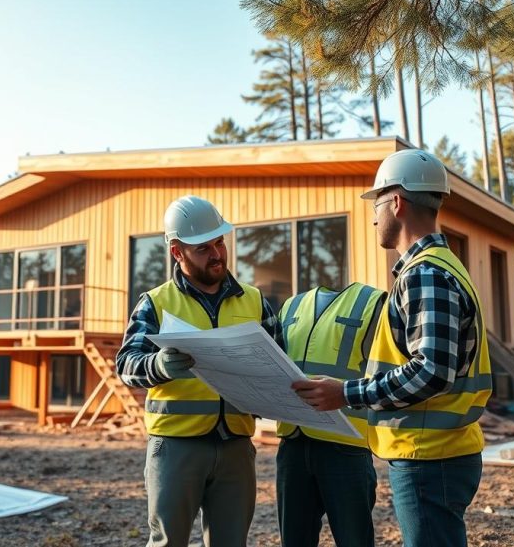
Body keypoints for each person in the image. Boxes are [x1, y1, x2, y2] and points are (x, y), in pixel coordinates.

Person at [291, 149, 493, 547]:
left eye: (377, 204)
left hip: (429, 455)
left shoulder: (425, 275)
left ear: (397, 202)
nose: (372, 217)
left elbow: (431, 371)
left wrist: (345, 393)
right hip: (440, 451)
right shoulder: (441, 267)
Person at [116, 194, 282, 547]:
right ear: (178, 252)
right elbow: (126, 364)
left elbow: (279, 362)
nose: (217, 254)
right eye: (204, 248)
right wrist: (156, 365)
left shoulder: (253, 300)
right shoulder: (156, 302)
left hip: (236, 445)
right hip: (176, 447)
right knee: (168, 542)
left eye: (220, 242)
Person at [274, 282, 385, 547]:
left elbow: (387, 374)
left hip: (346, 446)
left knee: (354, 540)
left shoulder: (373, 304)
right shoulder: (290, 306)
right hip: (293, 443)